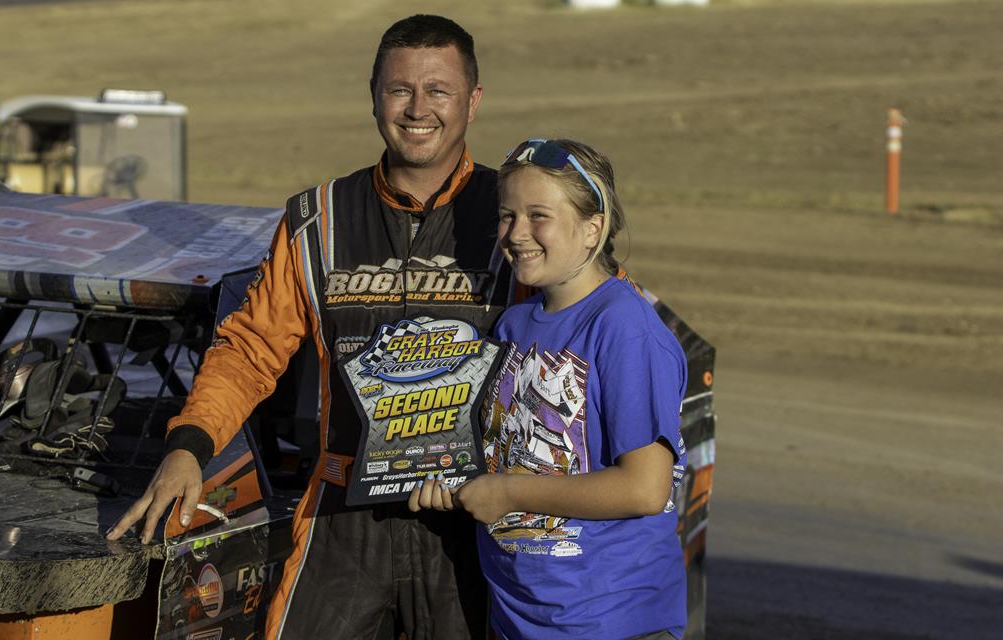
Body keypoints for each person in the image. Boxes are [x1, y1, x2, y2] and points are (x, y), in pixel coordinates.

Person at [108, 14, 516, 640]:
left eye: (438, 90)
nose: (417, 109)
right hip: (342, 513)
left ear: (473, 100)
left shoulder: (514, 210)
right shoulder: (317, 217)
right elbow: (250, 348)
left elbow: (591, 316)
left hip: (471, 510)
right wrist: (187, 446)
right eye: (399, 89)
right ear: (373, 94)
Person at [409, 138, 689, 639]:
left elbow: (646, 488)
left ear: (592, 228)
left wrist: (509, 492)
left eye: (538, 215)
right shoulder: (514, 327)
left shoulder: (624, 326)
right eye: (506, 215)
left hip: (610, 619)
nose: (515, 234)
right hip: (521, 616)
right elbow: (503, 457)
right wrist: (441, 480)